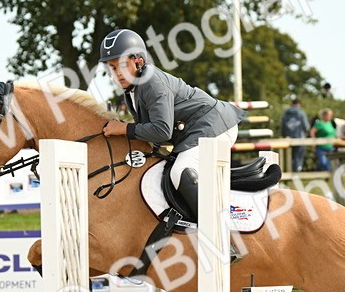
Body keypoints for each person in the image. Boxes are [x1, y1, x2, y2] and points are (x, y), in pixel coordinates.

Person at [97, 27, 246, 243]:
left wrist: (124, 129)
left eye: (122, 65)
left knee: (180, 171)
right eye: (112, 68)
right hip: (194, 130)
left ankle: (221, 238)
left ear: (138, 61)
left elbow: (161, 130)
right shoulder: (132, 91)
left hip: (215, 124)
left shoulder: (151, 82)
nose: (117, 73)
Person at [281, 98, 310, 173]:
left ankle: (288, 171)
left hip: (288, 138)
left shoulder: (286, 113)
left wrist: (284, 135)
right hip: (300, 138)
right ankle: (297, 172)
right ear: (299, 104)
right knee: (298, 156)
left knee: (289, 157)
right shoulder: (301, 113)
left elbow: (283, 126)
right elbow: (306, 126)